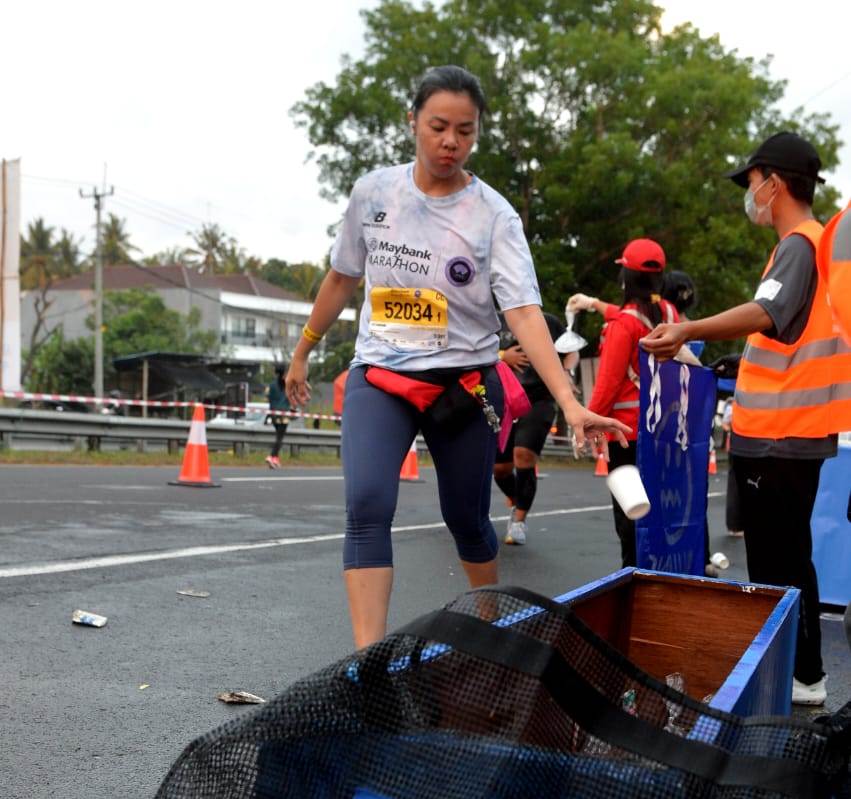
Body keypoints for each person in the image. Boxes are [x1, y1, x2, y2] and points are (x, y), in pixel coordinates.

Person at [286, 65, 630, 649]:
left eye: (465, 131)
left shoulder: (494, 215)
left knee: (465, 519)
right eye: (439, 126)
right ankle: (368, 660)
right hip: (382, 375)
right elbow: (342, 277)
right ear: (413, 122)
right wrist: (303, 352)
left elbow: (522, 312)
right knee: (367, 504)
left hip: (464, 386)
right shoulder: (374, 193)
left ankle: (489, 630)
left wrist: (570, 404)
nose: (451, 142)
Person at [641, 131, 851, 706]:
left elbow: (768, 311)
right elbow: (786, 335)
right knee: (788, 557)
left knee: (776, 563)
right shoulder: (810, 244)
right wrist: (738, 359)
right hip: (791, 431)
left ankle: (792, 679)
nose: (750, 194)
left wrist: (689, 327)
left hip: (782, 435)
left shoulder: (799, 244)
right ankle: (803, 675)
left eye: (752, 182)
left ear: (774, 183)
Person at [578, 238, 679, 568]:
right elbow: (629, 318)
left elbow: (607, 383)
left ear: (626, 279)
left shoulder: (624, 325)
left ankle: (634, 580)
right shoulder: (669, 313)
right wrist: (594, 303)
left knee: (631, 519)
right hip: (665, 430)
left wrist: (587, 421)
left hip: (627, 436)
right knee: (659, 514)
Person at [493, 311, 568, 546]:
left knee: (523, 456)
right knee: (500, 469)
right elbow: (468, 350)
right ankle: (518, 499)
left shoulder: (548, 320)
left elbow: (571, 351)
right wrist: (503, 355)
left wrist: (567, 371)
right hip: (504, 398)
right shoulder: (491, 318)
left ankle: (519, 521)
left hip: (539, 399)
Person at [265, 365, 290, 469]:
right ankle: (271, 456)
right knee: (280, 437)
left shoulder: (271, 385)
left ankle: (275, 458)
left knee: (278, 436)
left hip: (273, 413)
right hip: (283, 414)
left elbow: (267, 398)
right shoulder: (287, 384)